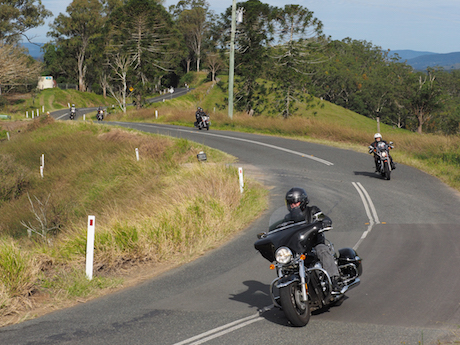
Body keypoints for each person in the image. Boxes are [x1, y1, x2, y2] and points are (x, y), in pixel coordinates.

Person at [283, 187, 342, 292]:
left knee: (322, 250)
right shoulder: (288, 218)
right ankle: (284, 287)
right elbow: (281, 229)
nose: (292, 205)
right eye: (290, 203)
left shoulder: (313, 210)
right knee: (284, 261)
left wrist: (325, 221)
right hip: (299, 249)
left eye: (295, 202)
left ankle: (334, 279)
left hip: (315, 245)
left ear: (303, 201)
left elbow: (323, 217)